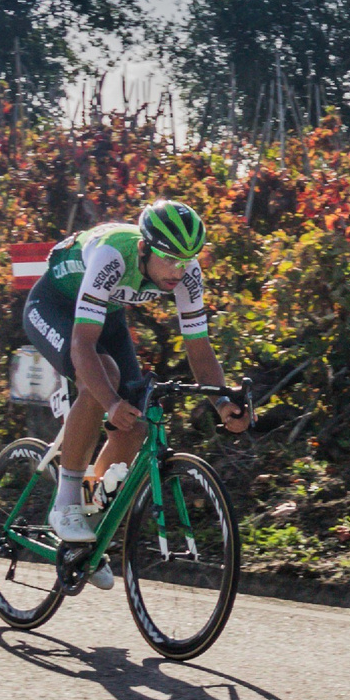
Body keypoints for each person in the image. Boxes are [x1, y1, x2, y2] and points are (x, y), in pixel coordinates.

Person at [21, 201, 248, 560]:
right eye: (169, 258)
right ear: (144, 248)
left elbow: (200, 350)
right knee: (104, 378)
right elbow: (82, 346)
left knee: (136, 426)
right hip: (53, 305)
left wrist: (221, 402)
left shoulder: (186, 272)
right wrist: (109, 402)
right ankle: (66, 503)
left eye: (186, 259)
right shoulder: (112, 256)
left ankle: (88, 520)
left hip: (104, 313)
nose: (178, 269)